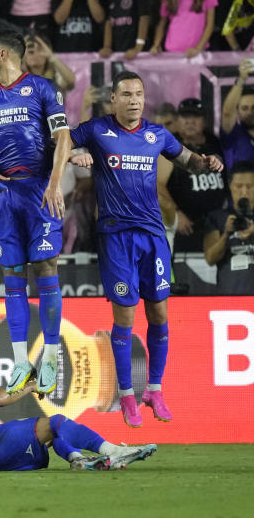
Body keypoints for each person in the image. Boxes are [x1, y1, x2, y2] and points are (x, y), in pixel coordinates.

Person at [71, 70, 224, 426]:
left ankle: (154, 389)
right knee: (124, 317)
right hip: (116, 237)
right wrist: (72, 156)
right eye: (126, 94)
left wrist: (205, 161)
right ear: (113, 99)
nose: (134, 100)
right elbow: (59, 142)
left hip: (153, 237)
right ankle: (127, 395)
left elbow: (185, 158)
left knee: (159, 314)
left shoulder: (157, 134)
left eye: (138, 94)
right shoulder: (96, 130)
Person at [0, 29, 72, 396]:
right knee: (12, 276)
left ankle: (49, 355)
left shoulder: (44, 89)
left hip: (39, 190)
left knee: (46, 269)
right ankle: (20, 362)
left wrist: (55, 183)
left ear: (2, 54)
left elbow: (64, 137)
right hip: (3, 195)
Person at [0, 332, 158, 472]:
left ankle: (78, 460)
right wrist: (31, 385)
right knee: (55, 423)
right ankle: (113, 451)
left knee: (49, 433)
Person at [160, 98, 226, 253]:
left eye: (195, 117)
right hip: (186, 227)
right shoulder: (171, 144)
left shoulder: (213, 141)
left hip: (215, 224)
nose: (190, 121)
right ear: (177, 120)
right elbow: (157, 184)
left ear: (204, 121)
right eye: (185, 117)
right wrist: (176, 214)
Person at [204, 161, 254, 295]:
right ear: (230, 186)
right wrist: (226, 234)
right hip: (228, 297)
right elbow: (210, 258)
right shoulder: (218, 217)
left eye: (250, 186)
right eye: (239, 186)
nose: (244, 192)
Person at [221, 60, 254, 170]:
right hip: (239, 186)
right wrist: (241, 80)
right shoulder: (233, 133)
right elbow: (227, 113)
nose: (250, 112)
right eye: (245, 108)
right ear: (237, 111)